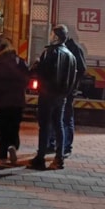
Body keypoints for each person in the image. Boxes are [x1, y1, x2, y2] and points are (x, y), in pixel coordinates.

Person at [28, 25, 77, 170]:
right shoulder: (71, 55)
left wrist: (36, 66)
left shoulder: (50, 52)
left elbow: (40, 72)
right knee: (58, 124)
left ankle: (40, 158)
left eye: (51, 34)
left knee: (44, 126)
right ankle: (59, 157)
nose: (49, 36)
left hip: (47, 94)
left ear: (55, 36)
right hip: (61, 96)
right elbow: (73, 79)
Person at [0, 38, 29, 165]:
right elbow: (26, 80)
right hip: (18, 100)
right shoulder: (20, 61)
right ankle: (13, 145)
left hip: (2, 100)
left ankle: (2, 153)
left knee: (3, 126)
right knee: (14, 126)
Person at [61, 33, 86, 158]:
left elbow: (81, 69)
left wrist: (72, 83)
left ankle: (66, 146)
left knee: (66, 117)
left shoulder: (73, 48)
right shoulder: (62, 48)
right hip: (61, 89)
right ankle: (57, 145)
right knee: (59, 118)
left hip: (67, 90)